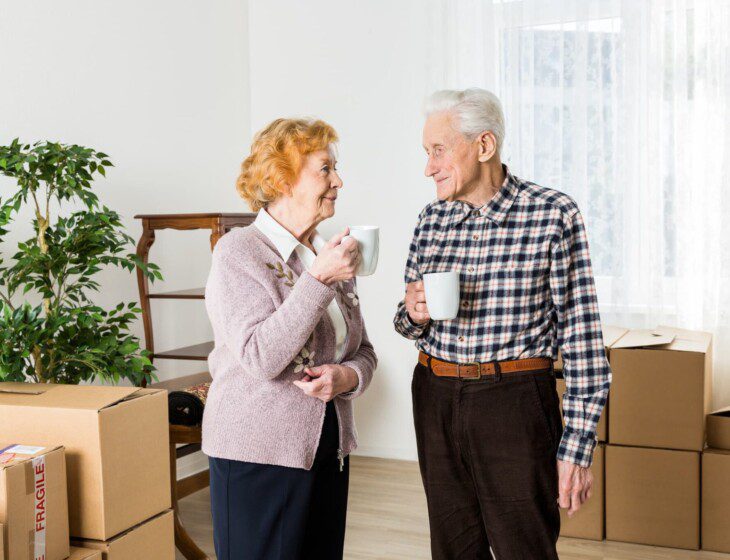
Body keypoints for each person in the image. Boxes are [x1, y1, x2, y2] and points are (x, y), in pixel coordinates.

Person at [393, 88, 611, 559]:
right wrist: (412, 313)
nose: (428, 167)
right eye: (426, 153)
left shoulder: (552, 213)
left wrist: (576, 448)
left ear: (484, 146)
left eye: (438, 150)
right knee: (452, 548)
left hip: (513, 401)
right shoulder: (431, 219)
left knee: (523, 548)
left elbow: (583, 341)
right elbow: (405, 323)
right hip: (434, 393)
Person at [203, 117, 377, 560]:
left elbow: (364, 352)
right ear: (283, 178)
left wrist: (346, 377)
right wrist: (319, 279)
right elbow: (261, 357)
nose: (339, 180)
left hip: (327, 449)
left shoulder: (325, 253)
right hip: (256, 456)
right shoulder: (239, 251)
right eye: (325, 169)